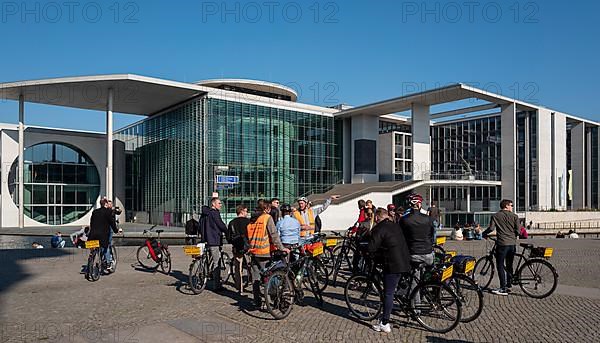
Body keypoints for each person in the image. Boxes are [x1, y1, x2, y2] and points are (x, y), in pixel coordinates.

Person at [369, 207, 411, 333]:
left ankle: (384, 323)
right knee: (399, 286)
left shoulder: (379, 228)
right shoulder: (394, 225)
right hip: (405, 260)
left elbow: (372, 247)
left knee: (388, 293)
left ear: (377, 218)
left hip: (393, 264)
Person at [247, 199, 288, 308]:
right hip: (265, 253)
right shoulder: (266, 218)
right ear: (265, 209)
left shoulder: (252, 219)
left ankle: (257, 302)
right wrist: (282, 248)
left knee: (255, 279)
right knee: (270, 277)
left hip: (253, 252)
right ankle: (272, 301)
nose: (270, 211)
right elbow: (274, 235)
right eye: (269, 208)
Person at [399, 193, 435, 304]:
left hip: (414, 254)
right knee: (426, 277)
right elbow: (432, 235)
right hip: (429, 254)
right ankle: (428, 295)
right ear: (419, 205)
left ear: (410, 205)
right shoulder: (428, 219)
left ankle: (416, 308)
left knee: (414, 282)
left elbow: (401, 238)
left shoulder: (405, 220)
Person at [482, 199, 520, 296]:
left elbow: (491, 228)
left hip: (502, 243)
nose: (512, 207)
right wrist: (512, 235)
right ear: (506, 206)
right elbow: (518, 231)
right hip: (512, 244)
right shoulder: (515, 216)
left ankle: (503, 288)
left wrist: (484, 234)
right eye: (511, 205)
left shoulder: (496, 216)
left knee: (500, 265)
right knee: (509, 264)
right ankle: (509, 284)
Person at [200, 197, 228, 291]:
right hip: (214, 240)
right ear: (213, 204)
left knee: (207, 259)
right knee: (217, 262)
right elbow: (220, 224)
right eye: (219, 203)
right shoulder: (215, 213)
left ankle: (203, 276)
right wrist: (227, 231)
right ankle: (217, 285)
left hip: (206, 239)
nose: (220, 205)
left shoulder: (205, 213)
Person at [89, 198, 119, 272]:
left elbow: (91, 223)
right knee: (106, 247)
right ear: (105, 204)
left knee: (92, 248)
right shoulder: (108, 211)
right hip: (102, 236)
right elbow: (112, 223)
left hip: (92, 235)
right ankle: (108, 264)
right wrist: (116, 230)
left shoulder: (95, 211)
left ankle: (90, 261)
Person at [227, 204, 251, 295]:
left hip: (237, 247)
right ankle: (253, 283)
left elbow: (229, 237)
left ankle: (239, 287)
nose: (247, 213)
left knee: (238, 267)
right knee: (250, 265)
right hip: (247, 247)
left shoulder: (232, 222)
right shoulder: (248, 222)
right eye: (246, 211)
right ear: (242, 211)